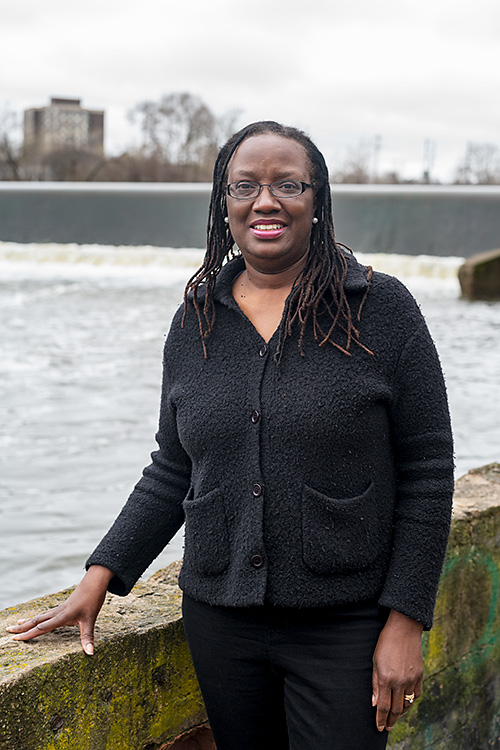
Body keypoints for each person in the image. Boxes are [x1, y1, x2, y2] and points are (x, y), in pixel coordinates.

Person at [7, 121, 454, 750]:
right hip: (221, 622)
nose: (264, 201)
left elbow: (429, 473)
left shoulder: (380, 308)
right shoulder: (196, 321)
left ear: (318, 201)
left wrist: (407, 620)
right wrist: (99, 576)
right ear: (225, 203)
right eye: (244, 186)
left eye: (287, 185)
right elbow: (172, 467)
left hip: (345, 623)